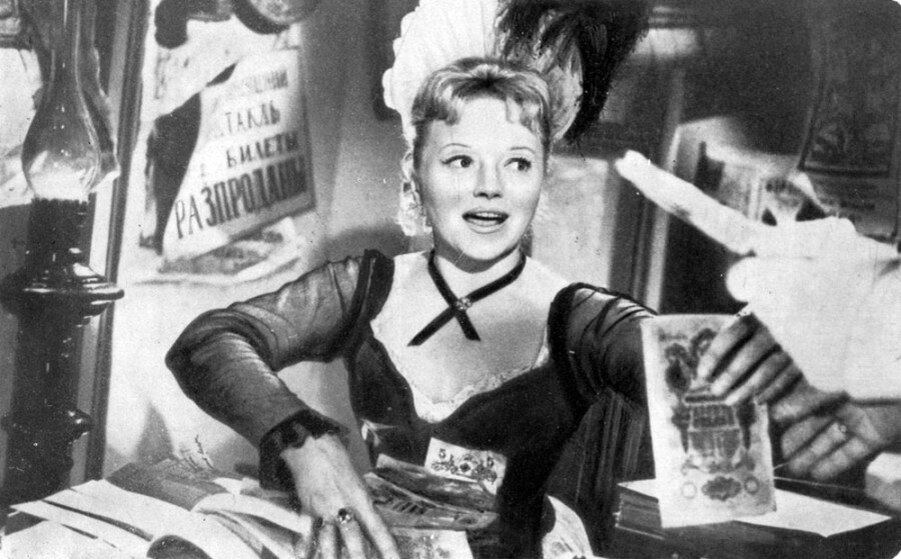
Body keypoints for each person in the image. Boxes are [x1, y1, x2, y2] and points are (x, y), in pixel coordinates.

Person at [166, 55, 802, 558]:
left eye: (517, 163)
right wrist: (303, 442)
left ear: (541, 181)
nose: (490, 187)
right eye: (460, 160)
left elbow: (714, 398)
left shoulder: (584, 319)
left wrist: (774, 353)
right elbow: (208, 342)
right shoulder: (364, 287)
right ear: (415, 175)